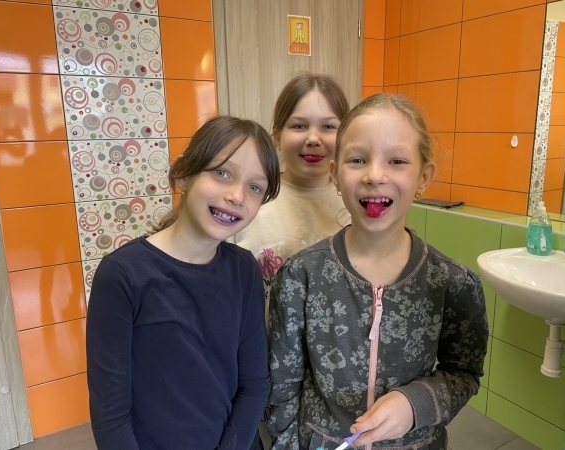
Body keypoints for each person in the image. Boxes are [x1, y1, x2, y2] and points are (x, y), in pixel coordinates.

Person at [267, 93, 489, 450]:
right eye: (357, 160)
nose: (374, 175)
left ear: (423, 177)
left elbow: (465, 372)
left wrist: (416, 404)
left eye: (397, 161)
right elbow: (283, 384)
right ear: (335, 174)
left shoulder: (454, 284)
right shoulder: (300, 277)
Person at [86, 115, 281, 450]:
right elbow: (110, 415)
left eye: (254, 187)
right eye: (222, 173)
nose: (237, 195)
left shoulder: (244, 269)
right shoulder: (122, 275)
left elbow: (254, 384)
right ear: (183, 175)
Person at [233, 73, 350, 450]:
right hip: (267, 375)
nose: (313, 138)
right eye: (299, 125)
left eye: (328, 126)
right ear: (277, 135)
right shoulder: (252, 202)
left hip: (340, 377)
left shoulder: (357, 204)